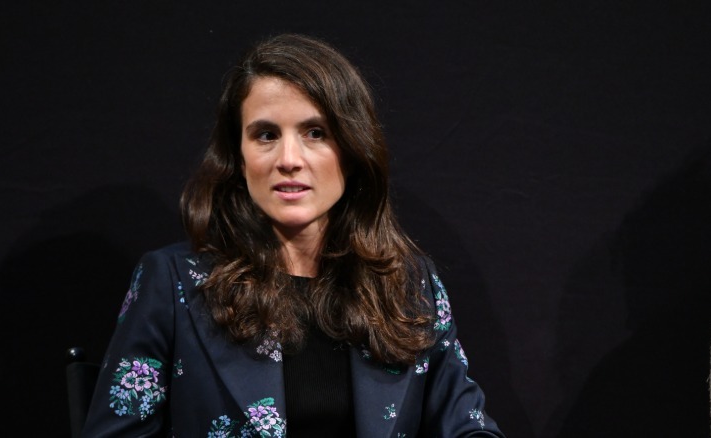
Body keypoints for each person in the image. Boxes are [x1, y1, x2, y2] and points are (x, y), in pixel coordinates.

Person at [82, 34, 504, 437]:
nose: (289, 159)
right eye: (266, 135)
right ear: (239, 158)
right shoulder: (172, 284)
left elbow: (469, 427)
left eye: (315, 133)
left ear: (353, 151)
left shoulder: (410, 287)